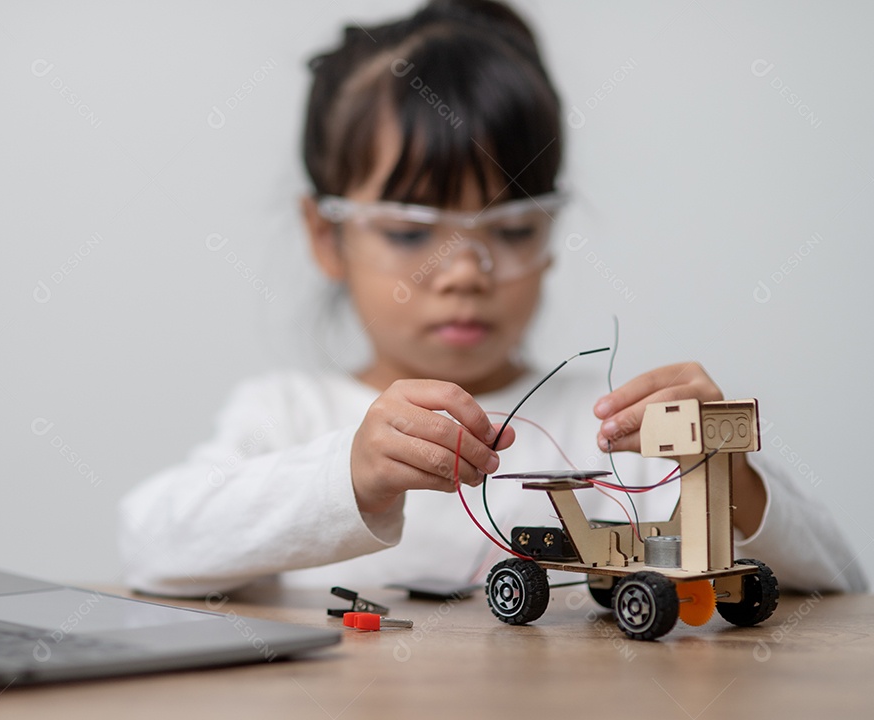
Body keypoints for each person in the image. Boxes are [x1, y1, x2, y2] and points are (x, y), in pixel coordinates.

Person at [119, 0, 866, 597]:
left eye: (510, 229)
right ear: (326, 236)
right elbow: (150, 544)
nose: (466, 272)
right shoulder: (283, 417)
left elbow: (838, 582)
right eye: (413, 233)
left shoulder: (621, 431)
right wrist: (348, 472)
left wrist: (724, 471)